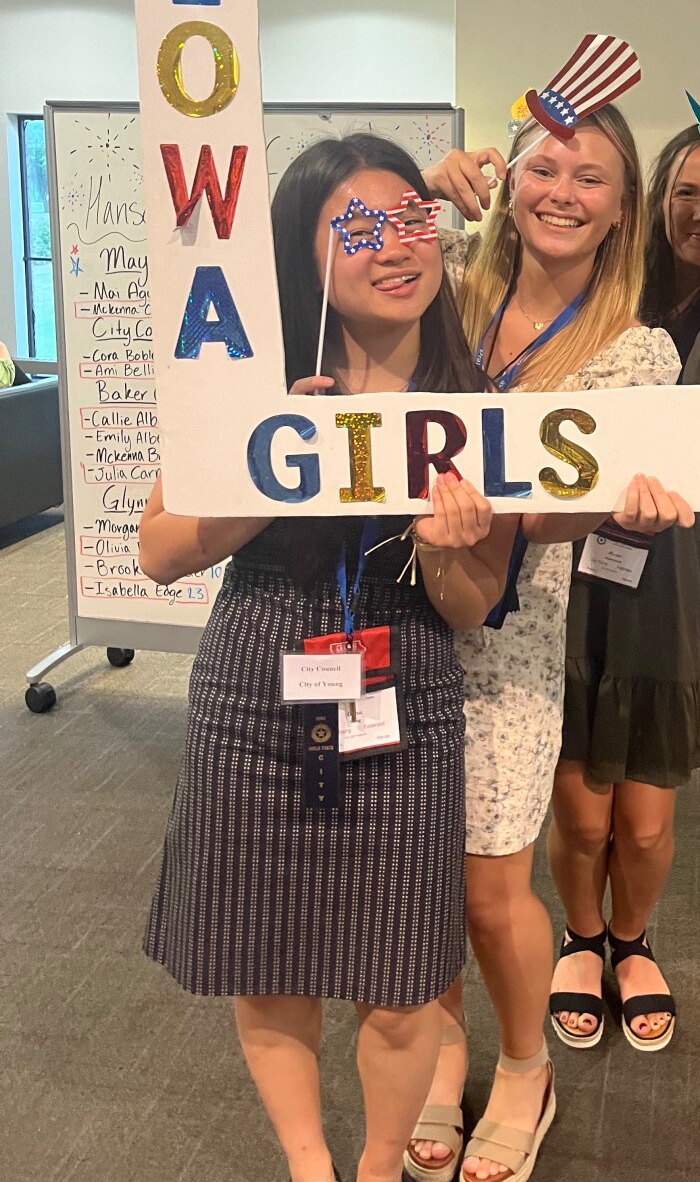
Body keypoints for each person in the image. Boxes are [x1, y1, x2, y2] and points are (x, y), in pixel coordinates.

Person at [141, 134, 519, 1182]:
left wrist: (445, 549)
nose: (394, 247)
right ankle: (311, 1166)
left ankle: (379, 1163)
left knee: (402, 975)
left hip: (408, 691)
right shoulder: (243, 384)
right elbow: (159, 550)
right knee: (267, 958)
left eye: (410, 219)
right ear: (302, 254)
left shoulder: (472, 403)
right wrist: (268, 474)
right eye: (357, 228)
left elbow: (471, 607)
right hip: (254, 690)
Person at [408, 108, 693, 1182]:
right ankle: (443, 1054)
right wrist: (417, 196)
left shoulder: (635, 350)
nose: (562, 192)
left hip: (510, 632)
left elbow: (558, 512)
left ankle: (525, 1067)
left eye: (592, 177)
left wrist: (616, 507)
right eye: (545, 167)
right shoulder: (440, 278)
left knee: (491, 886)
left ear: (624, 208)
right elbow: (318, 265)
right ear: (507, 178)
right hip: (389, 609)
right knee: (417, 874)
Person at [548, 125, 700, 1054]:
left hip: (670, 561)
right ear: (657, 198)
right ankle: (581, 939)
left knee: (643, 826)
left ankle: (633, 941)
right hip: (565, 549)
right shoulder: (610, 281)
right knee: (580, 808)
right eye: (687, 191)